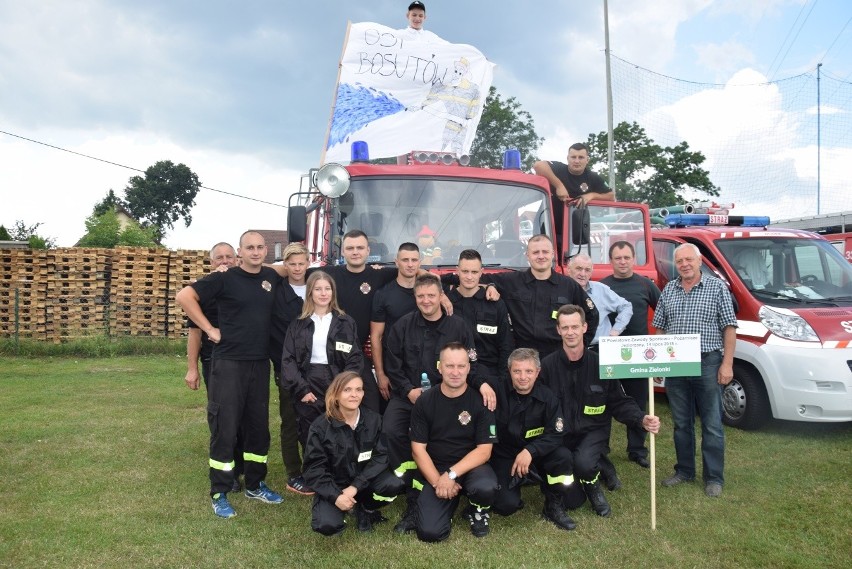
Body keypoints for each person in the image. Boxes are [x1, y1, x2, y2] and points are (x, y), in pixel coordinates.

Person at [176, 230, 284, 519]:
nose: (256, 252)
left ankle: (255, 483)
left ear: (266, 250)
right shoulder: (224, 278)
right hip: (228, 364)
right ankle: (220, 491)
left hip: (259, 363)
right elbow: (184, 296)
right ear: (240, 252)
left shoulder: (271, 277)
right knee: (225, 427)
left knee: (257, 427)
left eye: (261, 247)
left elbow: (294, 267)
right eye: (250, 247)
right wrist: (210, 329)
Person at [382, 273, 495, 534]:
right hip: (409, 396)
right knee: (391, 431)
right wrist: (407, 390)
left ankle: (453, 481)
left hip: (447, 396)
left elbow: (472, 362)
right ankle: (414, 492)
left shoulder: (458, 326)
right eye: (421, 296)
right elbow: (393, 365)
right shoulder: (402, 326)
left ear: (440, 295)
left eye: (431, 295)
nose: (426, 300)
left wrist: (483, 383)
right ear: (415, 298)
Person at [539, 305, 660, 518]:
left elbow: (619, 402)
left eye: (575, 326)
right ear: (558, 330)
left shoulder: (603, 365)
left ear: (584, 327)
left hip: (593, 431)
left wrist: (641, 418)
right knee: (570, 496)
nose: (570, 332)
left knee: (584, 463)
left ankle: (594, 485)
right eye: (565, 327)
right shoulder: (547, 367)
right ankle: (599, 469)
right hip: (561, 434)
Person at [653, 243, 736, 498]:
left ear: (699, 262)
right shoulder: (669, 289)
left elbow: (729, 327)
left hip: (707, 361)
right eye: (680, 261)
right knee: (681, 423)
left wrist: (727, 363)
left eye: (689, 260)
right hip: (677, 364)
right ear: (675, 265)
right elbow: (660, 327)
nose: (685, 265)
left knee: (711, 423)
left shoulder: (717, 287)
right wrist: (659, 362)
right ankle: (685, 471)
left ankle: (713, 478)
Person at [410, 342, 498, 542]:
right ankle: (447, 498)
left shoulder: (481, 401)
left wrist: (452, 475)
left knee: (486, 488)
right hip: (438, 468)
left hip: (472, 466)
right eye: (450, 366)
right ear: (439, 367)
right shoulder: (425, 401)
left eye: (461, 366)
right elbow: (418, 450)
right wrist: (438, 482)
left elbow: (484, 451)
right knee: (430, 533)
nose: (455, 372)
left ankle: (477, 510)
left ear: (468, 368)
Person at [301, 371, 405, 536]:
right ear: (335, 395)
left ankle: (366, 508)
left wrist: (355, 487)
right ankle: (342, 506)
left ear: (363, 393)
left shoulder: (375, 420)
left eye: (358, 390)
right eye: (347, 390)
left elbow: (381, 457)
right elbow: (314, 469)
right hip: (334, 486)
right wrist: (336, 496)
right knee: (326, 525)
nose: (354, 395)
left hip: (364, 482)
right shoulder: (320, 427)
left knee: (394, 484)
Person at [491, 348, 580, 531]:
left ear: (538, 372)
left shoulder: (548, 397)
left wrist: (530, 451)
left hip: (537, 455)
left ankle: (553, 504)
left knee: (563, 459)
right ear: (509, 372)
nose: (523, 377)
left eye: (529, 371)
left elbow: (556, 433)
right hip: (506, 455)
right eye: (517, 371)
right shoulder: (495, 393)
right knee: (506, 506)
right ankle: (517, 484)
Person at [567, 253, 632, 490]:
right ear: (568, 270)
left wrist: (615, 331)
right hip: (570, 356)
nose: (582, 274)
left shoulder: (602, 291)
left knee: (602, 407)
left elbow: (626, 306)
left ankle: (603, 460)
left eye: (587, 269)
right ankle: (583, 458)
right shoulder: (562, 290)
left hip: (600, 353)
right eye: (578, 269)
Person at [281, 271, 364, 452]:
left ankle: (340, 475)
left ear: (333, 292)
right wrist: (302, 389)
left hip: (336, 380)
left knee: (339, 430)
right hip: (308, 381)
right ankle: (314, 474)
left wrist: (344, 386)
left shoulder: (345, 322)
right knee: (310, 432)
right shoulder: (298, 324)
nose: (323, 293)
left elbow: (355, 357)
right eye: (318, 289)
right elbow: (288, 360)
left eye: (327, 289)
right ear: (310, 292)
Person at [478, 234, 599, 357]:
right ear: (528, 256)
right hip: (522, 358)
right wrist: (490, 285)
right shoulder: (512, 281)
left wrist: (579, 345)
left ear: (552, 254)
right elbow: (474, 278)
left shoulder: (568, 285)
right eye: (536, 252)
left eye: (545, 252)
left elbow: (592, 315)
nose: (541, 256)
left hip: (557, 357)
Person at [600, 241, 661, 469]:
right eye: (618, 258)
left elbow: (663, 310)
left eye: (626, 257)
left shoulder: (645, 285)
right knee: (604, 402)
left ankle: (637, 450)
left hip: (638, 355)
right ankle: (601, 448)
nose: (622, 262)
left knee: (637, 403)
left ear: (633, 258)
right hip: (610, 353)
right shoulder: (603, 286)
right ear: (611, 261)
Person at [268, 242, 314, 495]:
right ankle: (294, 474)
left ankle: (314, 467)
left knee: (314, 419)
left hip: (316, 367)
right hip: (287, 367)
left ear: (308, 263)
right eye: (292, 264)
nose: (297, 268)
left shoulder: (317, 287)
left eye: (301, 263)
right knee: (291, 421)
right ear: (285, 266)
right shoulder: (276, 291)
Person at [445, 249, 514, 385]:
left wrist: (502, 380)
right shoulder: (447, 303)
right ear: (457, 271)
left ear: (481, 272)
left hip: (490, 374)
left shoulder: (494, 303)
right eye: (465, 271)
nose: (469, 277)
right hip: (454, 376)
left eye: (474, 272)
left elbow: (506, 345)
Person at [534, 143, 615, 257]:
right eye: (573, 157)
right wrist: (559, 186)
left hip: (570, 231)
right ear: (568, 158)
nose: (576, 161)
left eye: (581, 157)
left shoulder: (592, 177)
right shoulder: (559, 169)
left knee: (562, 260)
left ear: (587, 160)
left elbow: (611, 197)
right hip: (545, 224)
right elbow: (538, 165)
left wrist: (591, 195)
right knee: (541, 257)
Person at [370, 242, 421, 405]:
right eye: (405, 260)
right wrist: (380, 374)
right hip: (394, 369)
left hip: (425, 366)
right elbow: (376, 336)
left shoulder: (428, 293)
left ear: (420, 263)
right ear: (396, 261)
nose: (410, 264)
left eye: (414, 260)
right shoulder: (383, 295)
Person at [184, 242, 237, 391]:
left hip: (244, 360)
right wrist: (192, 369)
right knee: (219, 409)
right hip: (214, 359)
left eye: (229, 257)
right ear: (212, 263)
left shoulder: (247, 287)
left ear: (237, 259)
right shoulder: (203, 291)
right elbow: (194, 332)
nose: (225, 261)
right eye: (219, 258)